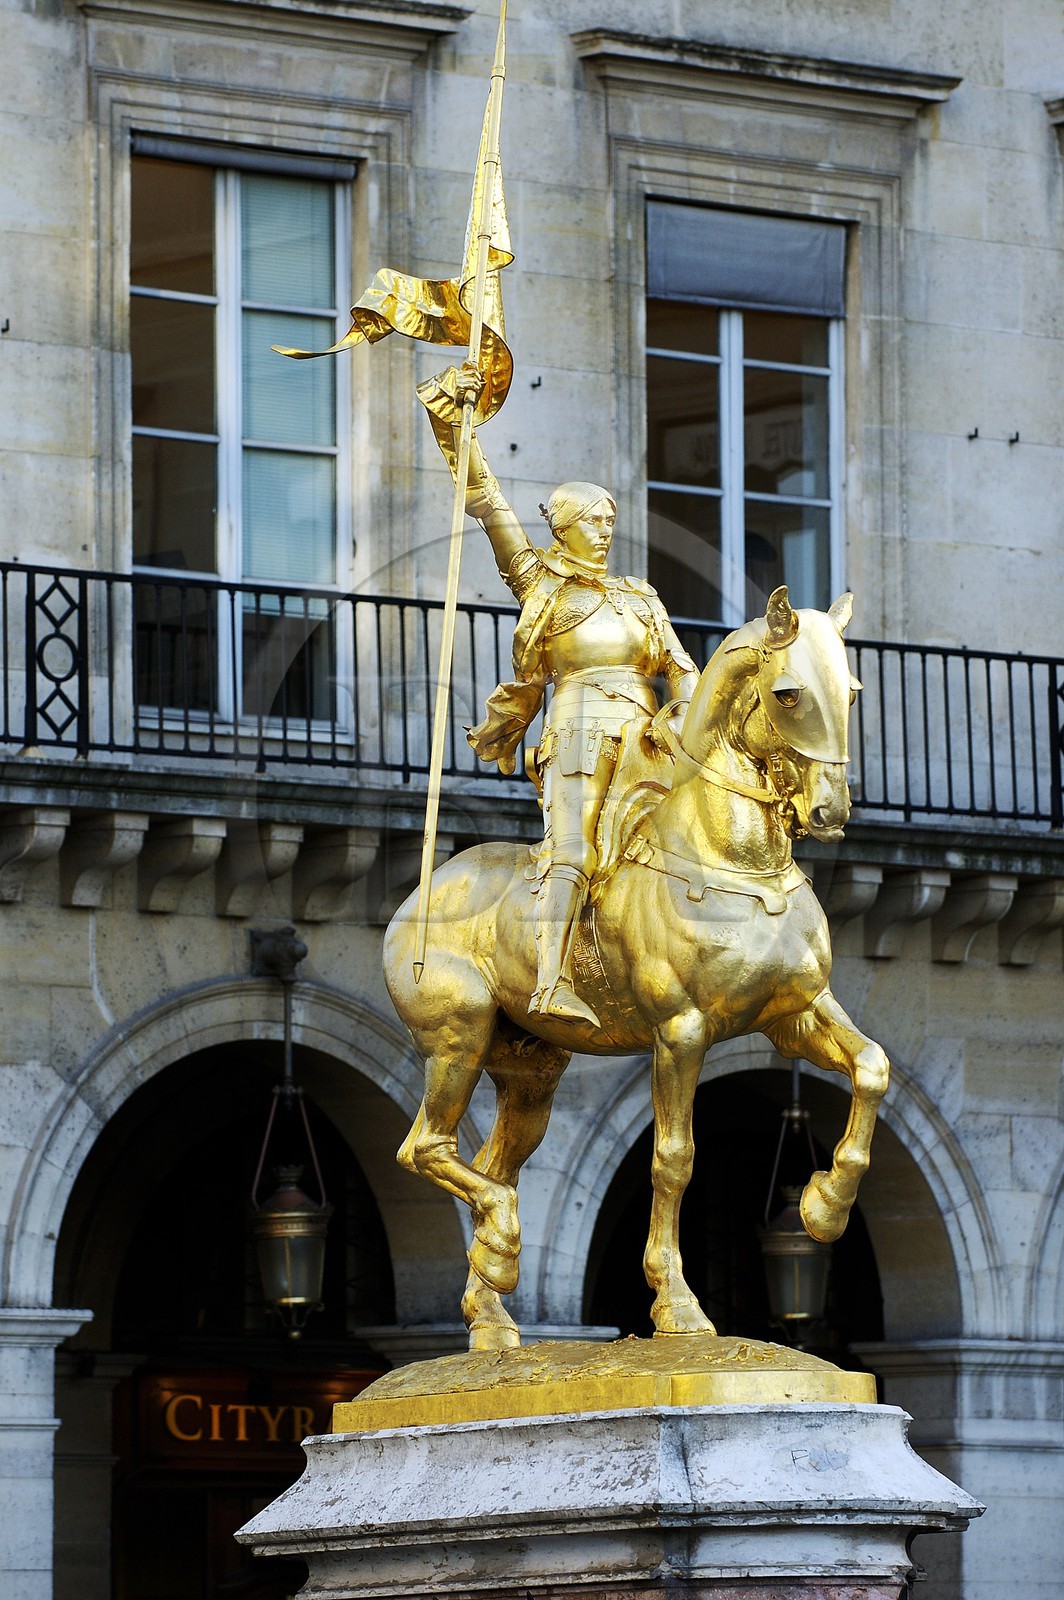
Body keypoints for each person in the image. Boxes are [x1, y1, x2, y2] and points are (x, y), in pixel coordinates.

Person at [419, 362, 699, 1028]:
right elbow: (485, 499)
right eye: (593, 520)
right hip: (576, 730)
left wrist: (685, 705)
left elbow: (680, 667)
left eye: (610, 519)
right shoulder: (541, 585)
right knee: (573, 851)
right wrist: (454, 420)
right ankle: (550, 979)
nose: (606, 529)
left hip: (647, 736)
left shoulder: (640, 596)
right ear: (563, 528)